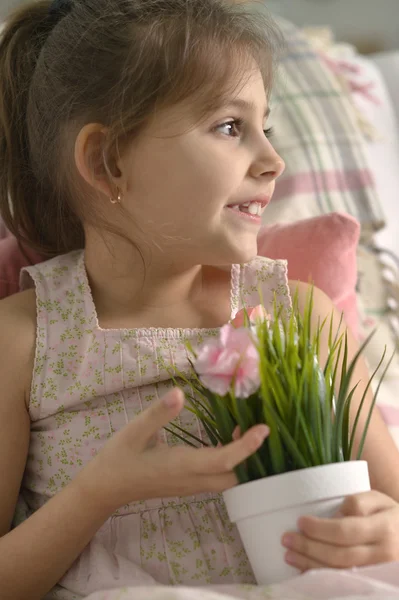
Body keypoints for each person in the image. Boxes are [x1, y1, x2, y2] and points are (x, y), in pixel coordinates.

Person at [0, 1, 399, 599]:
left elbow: (392, 504)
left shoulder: (300, 318)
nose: (272, 160)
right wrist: (100, 491)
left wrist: (386, 531)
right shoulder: (24, 340)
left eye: (269, 127)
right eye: (230, 127)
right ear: (107, 162)